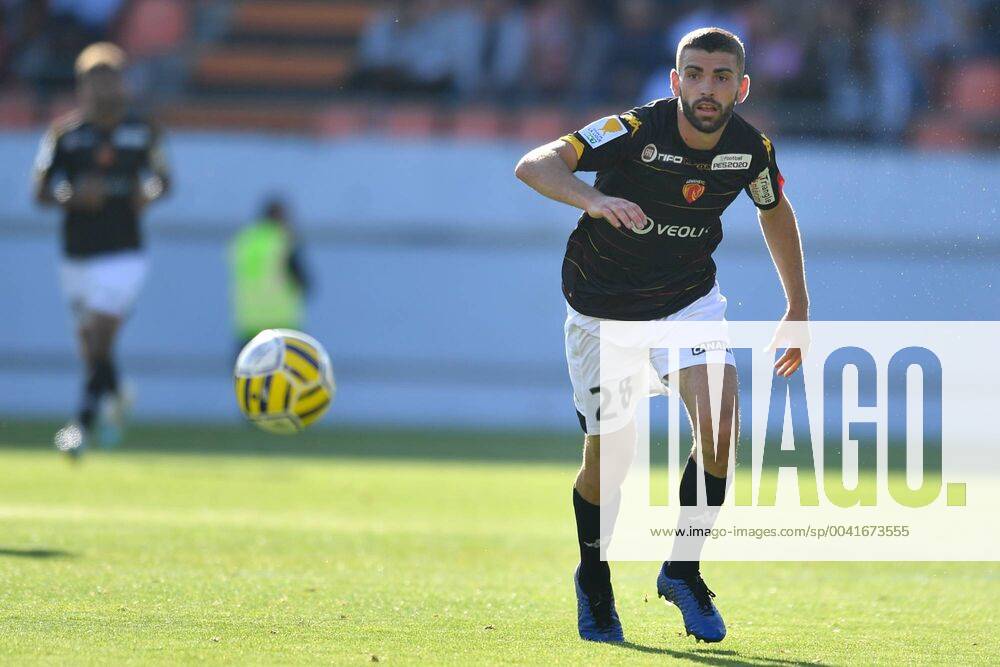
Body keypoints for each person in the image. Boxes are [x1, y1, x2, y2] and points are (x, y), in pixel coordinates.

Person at [514, 27, 809, 643]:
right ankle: (594, 578)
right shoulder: (633, 131)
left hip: (688, 305)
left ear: (742, 86)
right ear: (675, 82)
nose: (707, 88)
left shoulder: (751, 149)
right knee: (611, 459)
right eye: (695, 74)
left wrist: (797, 306)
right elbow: (534, 164)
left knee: (722, 426)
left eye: (721, 76)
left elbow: (774, 208)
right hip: (602, 311)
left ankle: (682, 569)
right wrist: (590, 200)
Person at [33, 42, 170, 457]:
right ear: (81, 86)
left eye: (109, 80)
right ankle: (116, 391)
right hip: (77, 253)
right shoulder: (64, 135)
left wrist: (149, 193)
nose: (102, 90)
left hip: (124, 253)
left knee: (99, 336)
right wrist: (72, 196)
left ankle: (79, 428)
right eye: (94, 82)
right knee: (91, 346)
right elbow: (40, 190)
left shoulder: (142, 131)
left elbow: (163, 179)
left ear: (122, 84)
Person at [228, 197, 311, 356]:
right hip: (283, 327)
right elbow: (304, 283)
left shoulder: (245, 242)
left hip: (248, 327)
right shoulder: (284, 241)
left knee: (249, 378)